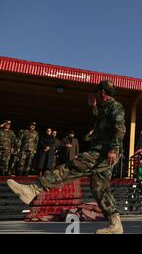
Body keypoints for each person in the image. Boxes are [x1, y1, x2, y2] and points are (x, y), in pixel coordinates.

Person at [7, 80, 127, 234]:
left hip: (103, 153)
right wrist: (93, 107)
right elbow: (101, 123)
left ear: (102, 92)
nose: (95, 93)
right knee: (100, 189)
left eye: (97, 91)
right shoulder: (103, 108)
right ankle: (116, 224)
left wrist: (114, 149)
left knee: (72, 167)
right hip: (100, 151)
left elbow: (120, 128)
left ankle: (33, 189)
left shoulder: (115, 106)